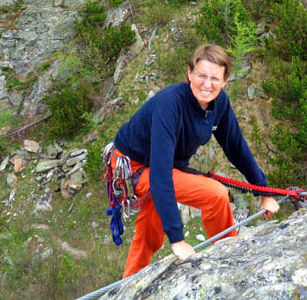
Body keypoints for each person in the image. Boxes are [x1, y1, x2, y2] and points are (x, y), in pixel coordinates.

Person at [110, 44, 279, 277]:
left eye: (214, 78)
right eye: (201, 76)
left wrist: (264, 191)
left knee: (151, 228)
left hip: (161, 165)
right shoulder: (170, 104)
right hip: (134, 166)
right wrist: (178, 240)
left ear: (225, 80)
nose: (207, 84)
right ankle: (230, 256)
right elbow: (160, 174)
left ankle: (131, 281)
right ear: (190, 73)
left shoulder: (220, 105)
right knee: (214, 194)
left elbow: (236, 147)